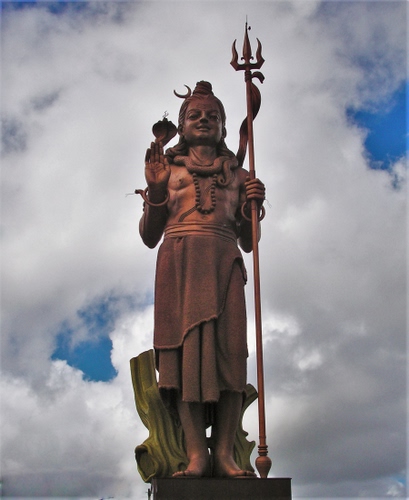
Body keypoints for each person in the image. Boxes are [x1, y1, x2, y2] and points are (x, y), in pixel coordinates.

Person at [139, 81, 265, 478]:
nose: (204, 120)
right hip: (178, 264)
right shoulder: (168, 171)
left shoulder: (239, 175)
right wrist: (155, 191)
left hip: (224, 263)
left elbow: (249, 242)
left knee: (231, 358)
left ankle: (224, 454)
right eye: (195, 115)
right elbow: (149, 236)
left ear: (225, 126)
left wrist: (253, 205)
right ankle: (196, 455)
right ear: (181, 125)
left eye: (213, 116)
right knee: (183, 363)